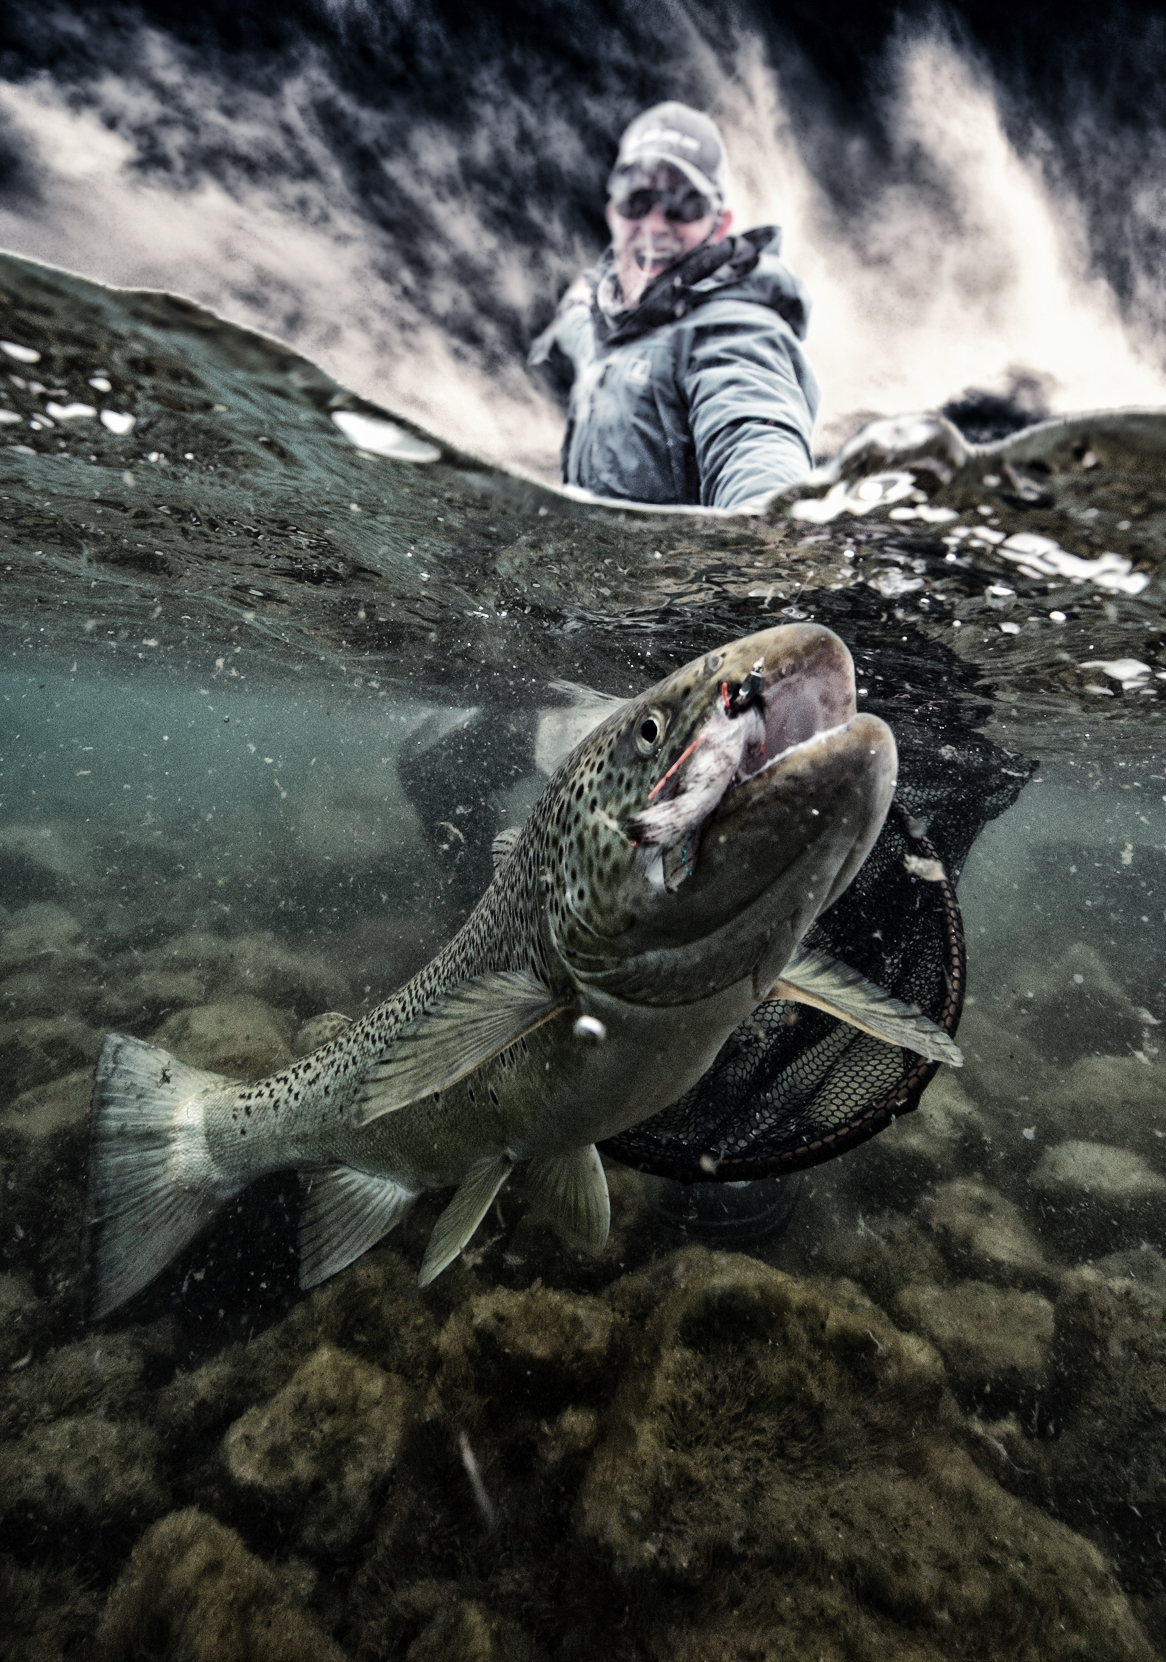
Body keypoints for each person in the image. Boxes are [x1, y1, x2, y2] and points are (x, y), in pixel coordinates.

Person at [529, 101, 819, 510]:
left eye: (684, 205)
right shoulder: (606, 314)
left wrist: (767, 527)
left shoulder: (735, 330)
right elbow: (583, 322)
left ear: (718, 224)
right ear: (614, 213)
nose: (654, 225)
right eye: (637, 200)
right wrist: (574, 308)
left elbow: (754, 436)